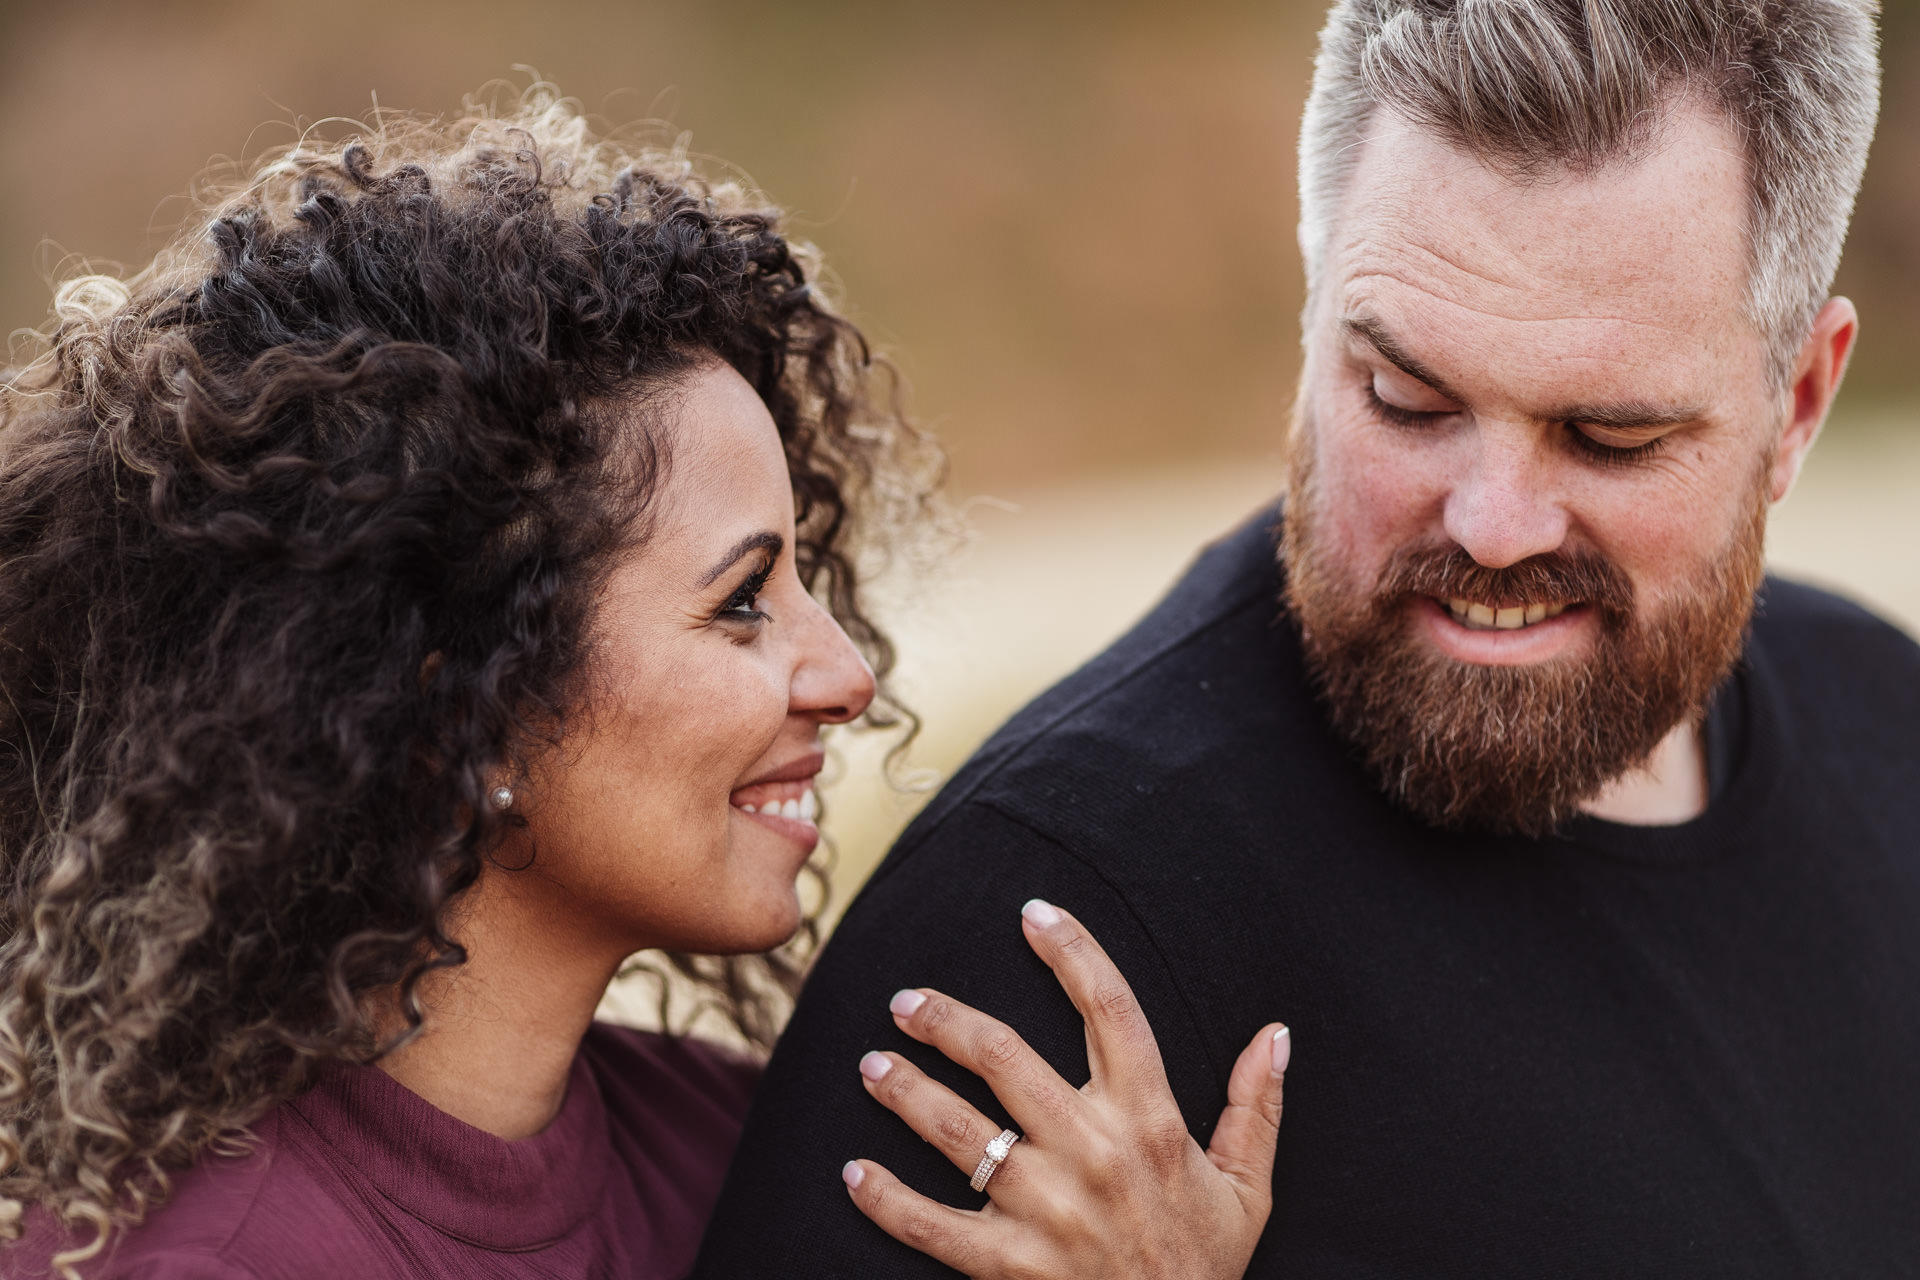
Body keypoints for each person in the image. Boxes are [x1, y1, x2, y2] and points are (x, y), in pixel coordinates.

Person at [693, 2, 1920, 1276]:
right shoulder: (1056, 932)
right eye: (1407, 399)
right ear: (1314, 312)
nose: (1494, 527)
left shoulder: (1891, 727)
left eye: (1609, 438)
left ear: (1801, 404)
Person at [0, 99, 1290, 1279]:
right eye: (741, 601)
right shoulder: (197, 1258)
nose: (847, 676)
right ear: (459, 707)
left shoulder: (742, 1147)